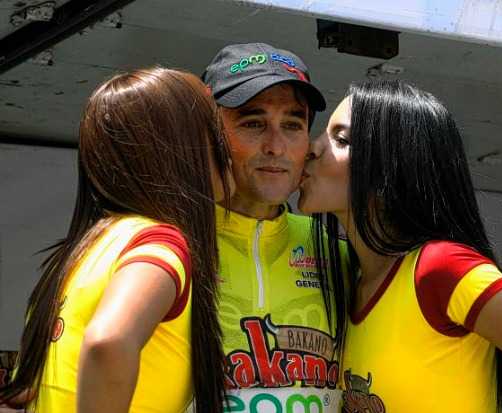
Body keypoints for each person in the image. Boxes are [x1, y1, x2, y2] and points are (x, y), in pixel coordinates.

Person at [298, 79, 502, 412]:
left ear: (390, 170)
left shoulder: (441, 268)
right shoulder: (350, 282)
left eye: (342, 139)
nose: (313, 147)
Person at [0, 67, 234, 413]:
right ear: (177, 148)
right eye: (214, 127)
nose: (227, 144)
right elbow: (108, 340)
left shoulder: (78, 254)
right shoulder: (158, 242)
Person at [201, 43, 346, 411]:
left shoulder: (340, 255)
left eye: (293, 125)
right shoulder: (164, 245)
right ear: (209, 132)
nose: (276, 147)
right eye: (253, 123)